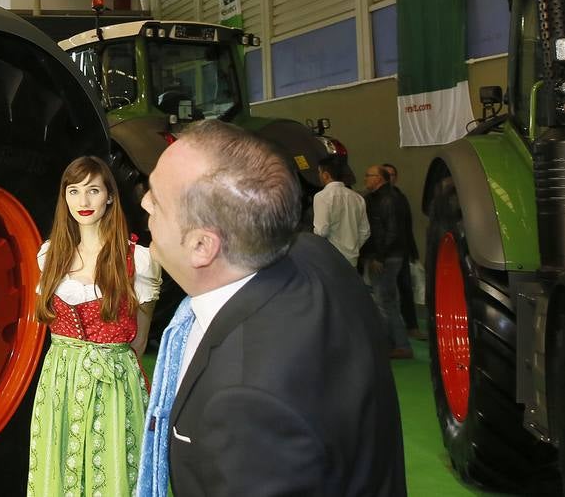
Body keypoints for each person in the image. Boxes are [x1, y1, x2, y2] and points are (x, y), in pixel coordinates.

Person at [135, 121, 405, 497]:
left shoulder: (244, 402)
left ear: (202, 247)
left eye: (156, 199)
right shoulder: (316, 255)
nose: (143, 202)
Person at [27, 156, 160, 497]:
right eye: (74, 191)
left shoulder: (138, 259)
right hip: (59, 380)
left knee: (112, 471)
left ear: (110, 196)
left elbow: (139, 340)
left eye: (93, 190)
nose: (83, 202)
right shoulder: (49, 254)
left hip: (113, 380)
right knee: (57, 468)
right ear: (64, 197)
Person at [364, 165, 414, 359]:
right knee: (389, 301)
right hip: (390, 255)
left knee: (384, 303)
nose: (366, 178)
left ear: (379, 179)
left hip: (385, 257)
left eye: (369, 175)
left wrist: (379, 256)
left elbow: (391, 231)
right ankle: (398, 344)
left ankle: (393, 345)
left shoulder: (387, 200)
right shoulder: (390, 198)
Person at [382, 163, 425, 340]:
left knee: (405, 288)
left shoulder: (400, 198)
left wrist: (412, 250)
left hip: (401, 249)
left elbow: (407, 226)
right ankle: (391, 333)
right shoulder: (373, 198)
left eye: (393, 174)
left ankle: (411, 327)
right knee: (385, 294)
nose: (390, 177)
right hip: (384, 252)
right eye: (387, 174)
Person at [312, 155, 370, 266]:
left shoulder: (321, 196)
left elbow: (322, 231)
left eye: (319, 172)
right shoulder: (357, 198)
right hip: (352, 259)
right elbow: (365, 231)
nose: (318, 175)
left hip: (331, 259)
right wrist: (353, 247)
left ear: (325, 175)